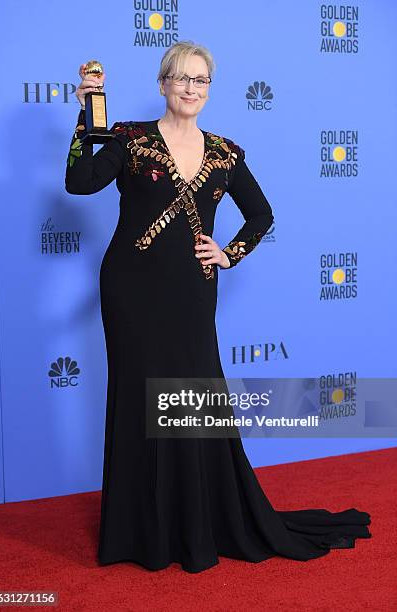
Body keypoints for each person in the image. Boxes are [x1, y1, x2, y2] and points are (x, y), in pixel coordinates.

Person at [65, 40, 371, 573]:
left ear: (209, 89)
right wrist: (82, 118)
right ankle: (141, 532)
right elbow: (79, 182)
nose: (190, 88)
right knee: (138, 402)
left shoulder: (226, 153)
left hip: (191, 290)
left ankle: (198, 520)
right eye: (181, 78)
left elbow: (261, 215)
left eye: (201, 80)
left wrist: (229, 253)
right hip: (130, 289)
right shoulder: (130, 139)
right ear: (163, 84)